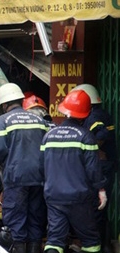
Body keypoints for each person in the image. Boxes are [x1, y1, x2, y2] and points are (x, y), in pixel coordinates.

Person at [0, 82, 49, 253]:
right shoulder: (39, 120)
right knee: (35, 220)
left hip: (16, 178)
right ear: (20, 100)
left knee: (15, 222)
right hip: (39, 178)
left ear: (4, 104)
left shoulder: (3, 121)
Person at [39, 90, 107, 253]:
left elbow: (42, 168)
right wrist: (101, 189)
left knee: (55, 239)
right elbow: (93, 169)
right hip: (79, 198)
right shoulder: (86, 136)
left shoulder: (48, 136)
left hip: (53, 196)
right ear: (86, 114)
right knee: (91, 241)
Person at [71, 83, 117, 253]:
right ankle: (104, 246)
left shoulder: (94, 116)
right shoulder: (99, 114)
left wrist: (95, 149)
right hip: (106, 166)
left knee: (95, 208)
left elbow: (102, 134)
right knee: (101, 209)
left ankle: (95, 247)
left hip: (101, 167)